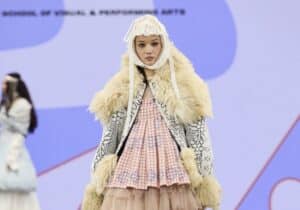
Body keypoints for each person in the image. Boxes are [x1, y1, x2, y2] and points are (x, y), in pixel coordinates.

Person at [83, 15, 221, 210]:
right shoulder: (123, 87)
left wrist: (203, 178)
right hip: (132, 165)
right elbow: (110, 136)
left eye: (154, 43)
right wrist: (97, 182)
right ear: (133, 47)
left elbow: (197, 134)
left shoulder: (181, 83)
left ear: (163, 44)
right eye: (142, 45)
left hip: (170, 166)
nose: (148, 50)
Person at [0, 73, 40, 210]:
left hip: (14, 146)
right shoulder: (6, 104)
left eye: (5, 83)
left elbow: (19, 126)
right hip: (3, 144)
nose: (2, 86)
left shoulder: (23, 105)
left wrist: (3, 114)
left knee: (14, 181)